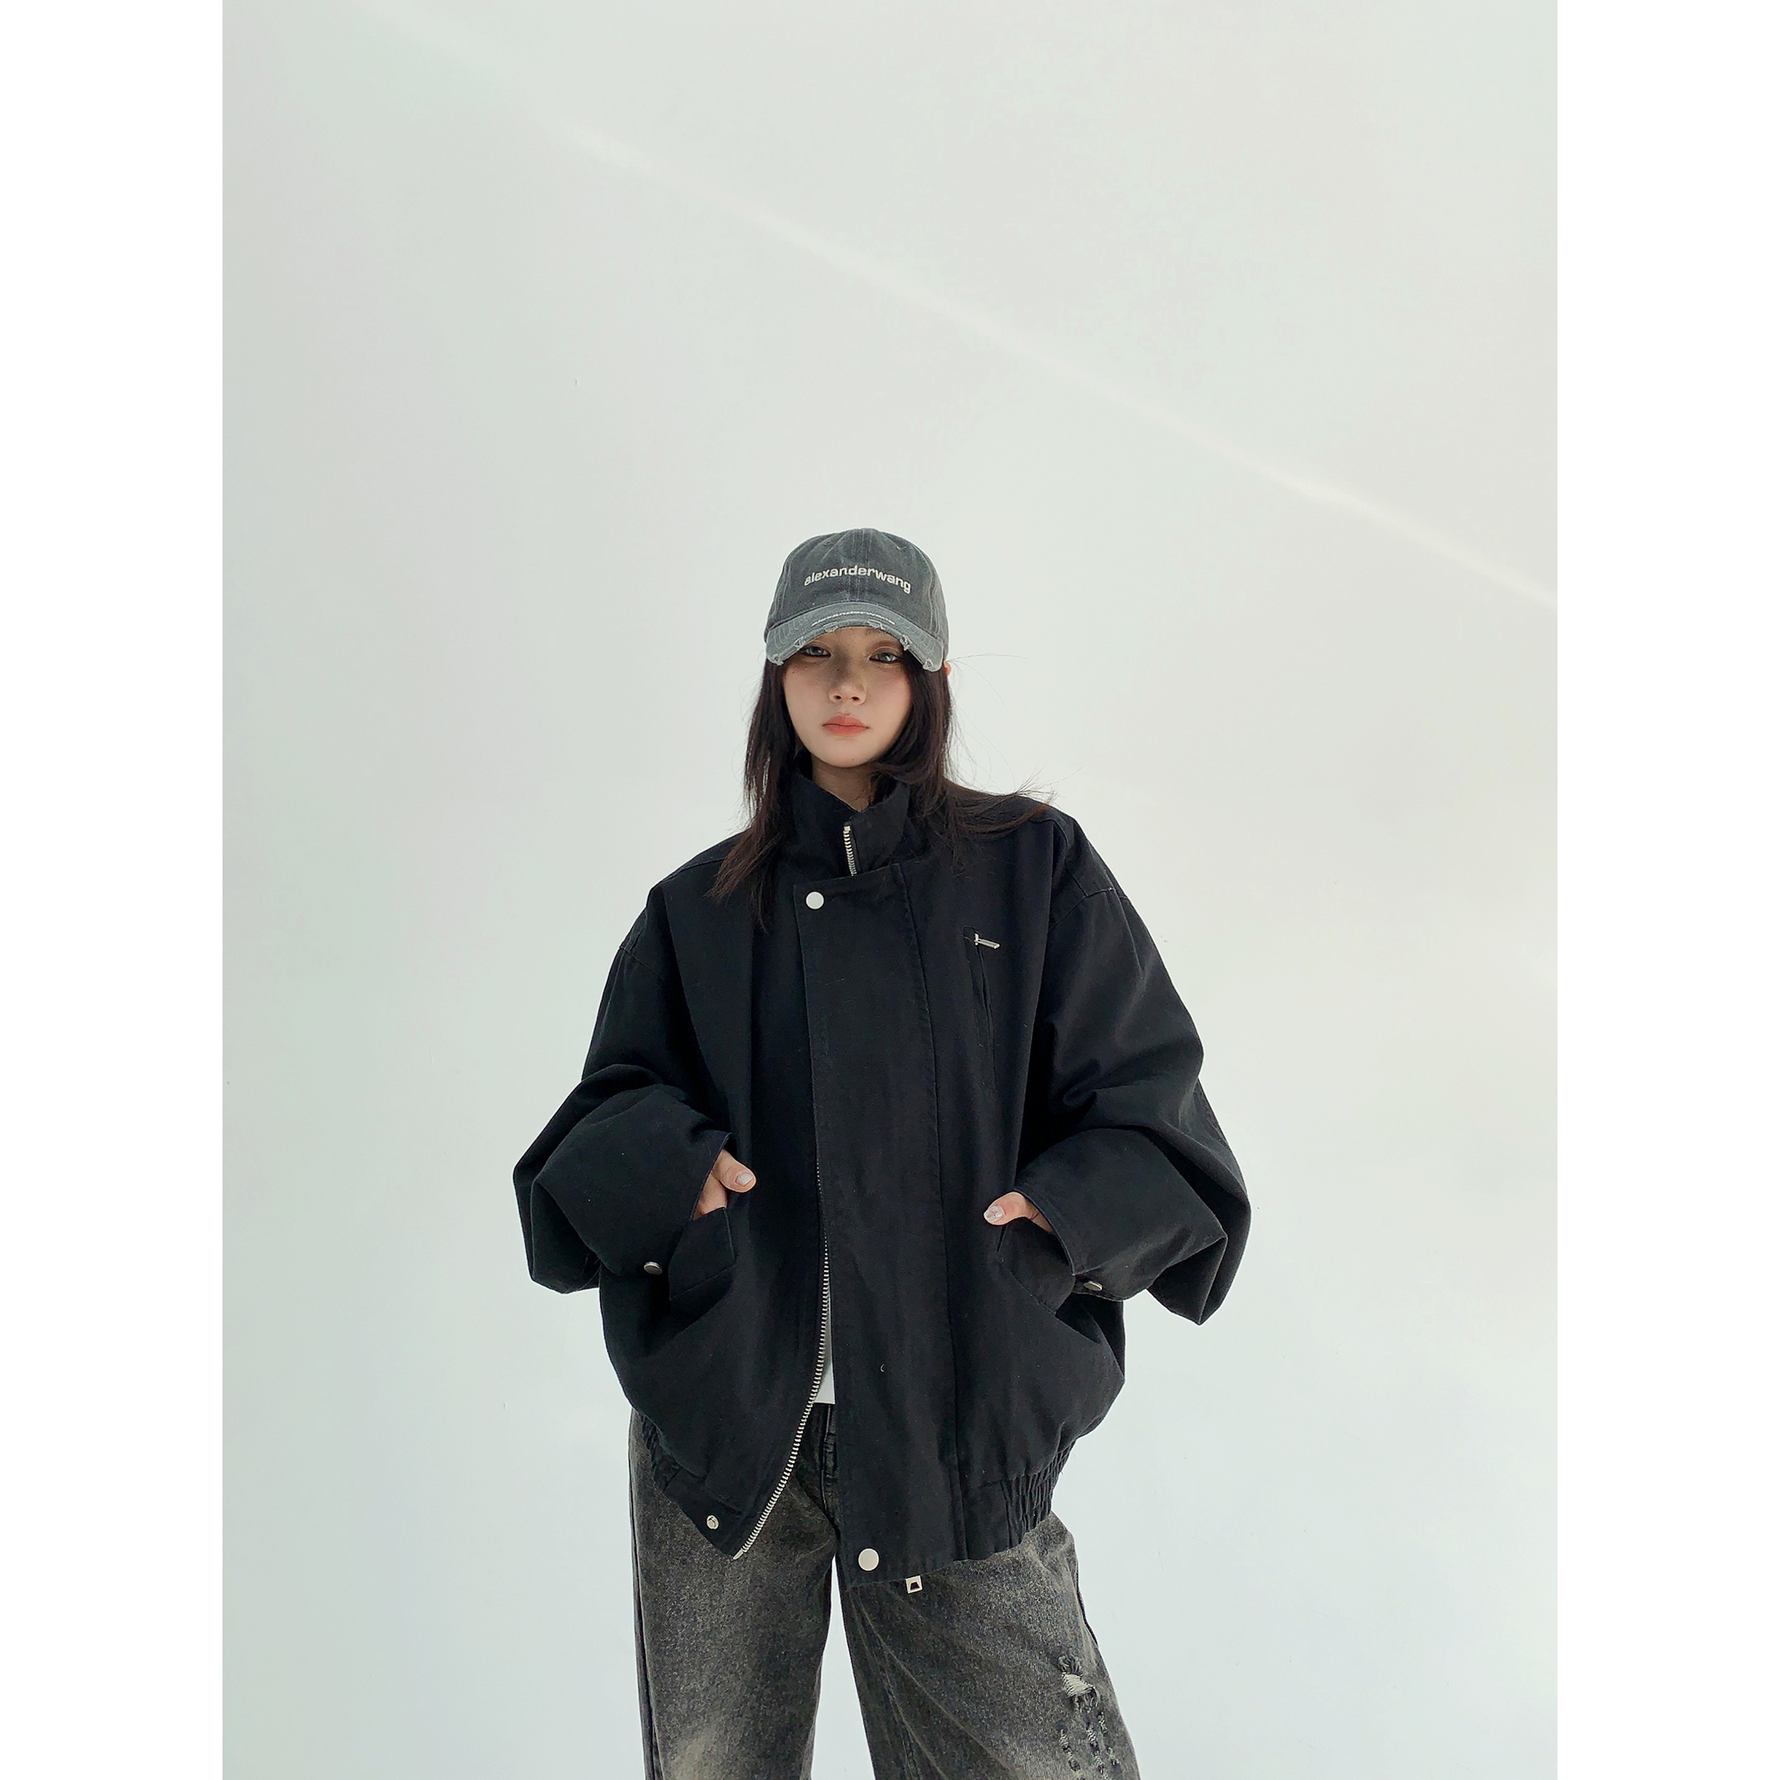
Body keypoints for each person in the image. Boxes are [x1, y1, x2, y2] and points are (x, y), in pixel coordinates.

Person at [513, 527, 1249, 1779]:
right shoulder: (696, 909)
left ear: (930, 679)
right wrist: (675, 1171)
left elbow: (1153, 1109)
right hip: (730, 1436)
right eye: (815, 652)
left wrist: (1056, 1225)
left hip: (956, 1427)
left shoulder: (1033, 869)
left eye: (882, 654)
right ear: (775, 678)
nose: (846, 682)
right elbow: (592, 1128)